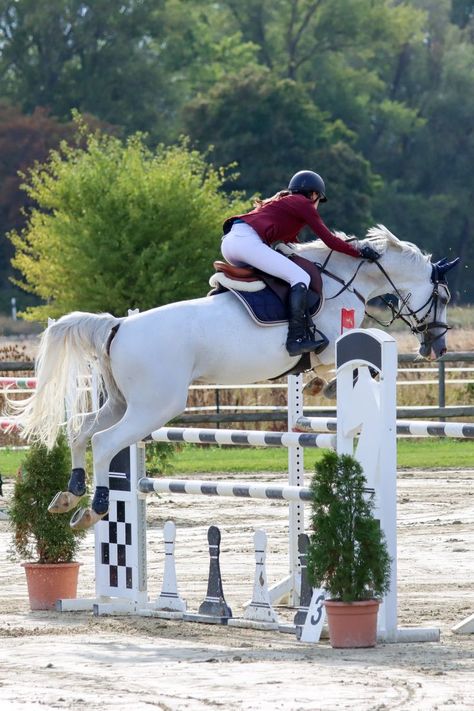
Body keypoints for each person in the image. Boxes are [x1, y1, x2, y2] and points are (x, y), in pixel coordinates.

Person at [221, 170, 380, 357]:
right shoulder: (303, 204)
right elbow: (329, 240)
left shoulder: (285, 205)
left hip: (231, 243)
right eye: (319, 199)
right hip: (247, 243)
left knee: (281, 276)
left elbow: (294, 245)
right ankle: (296, 338)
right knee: (300, 276)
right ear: (313, 194)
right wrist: (359, 251)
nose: (317, 204)